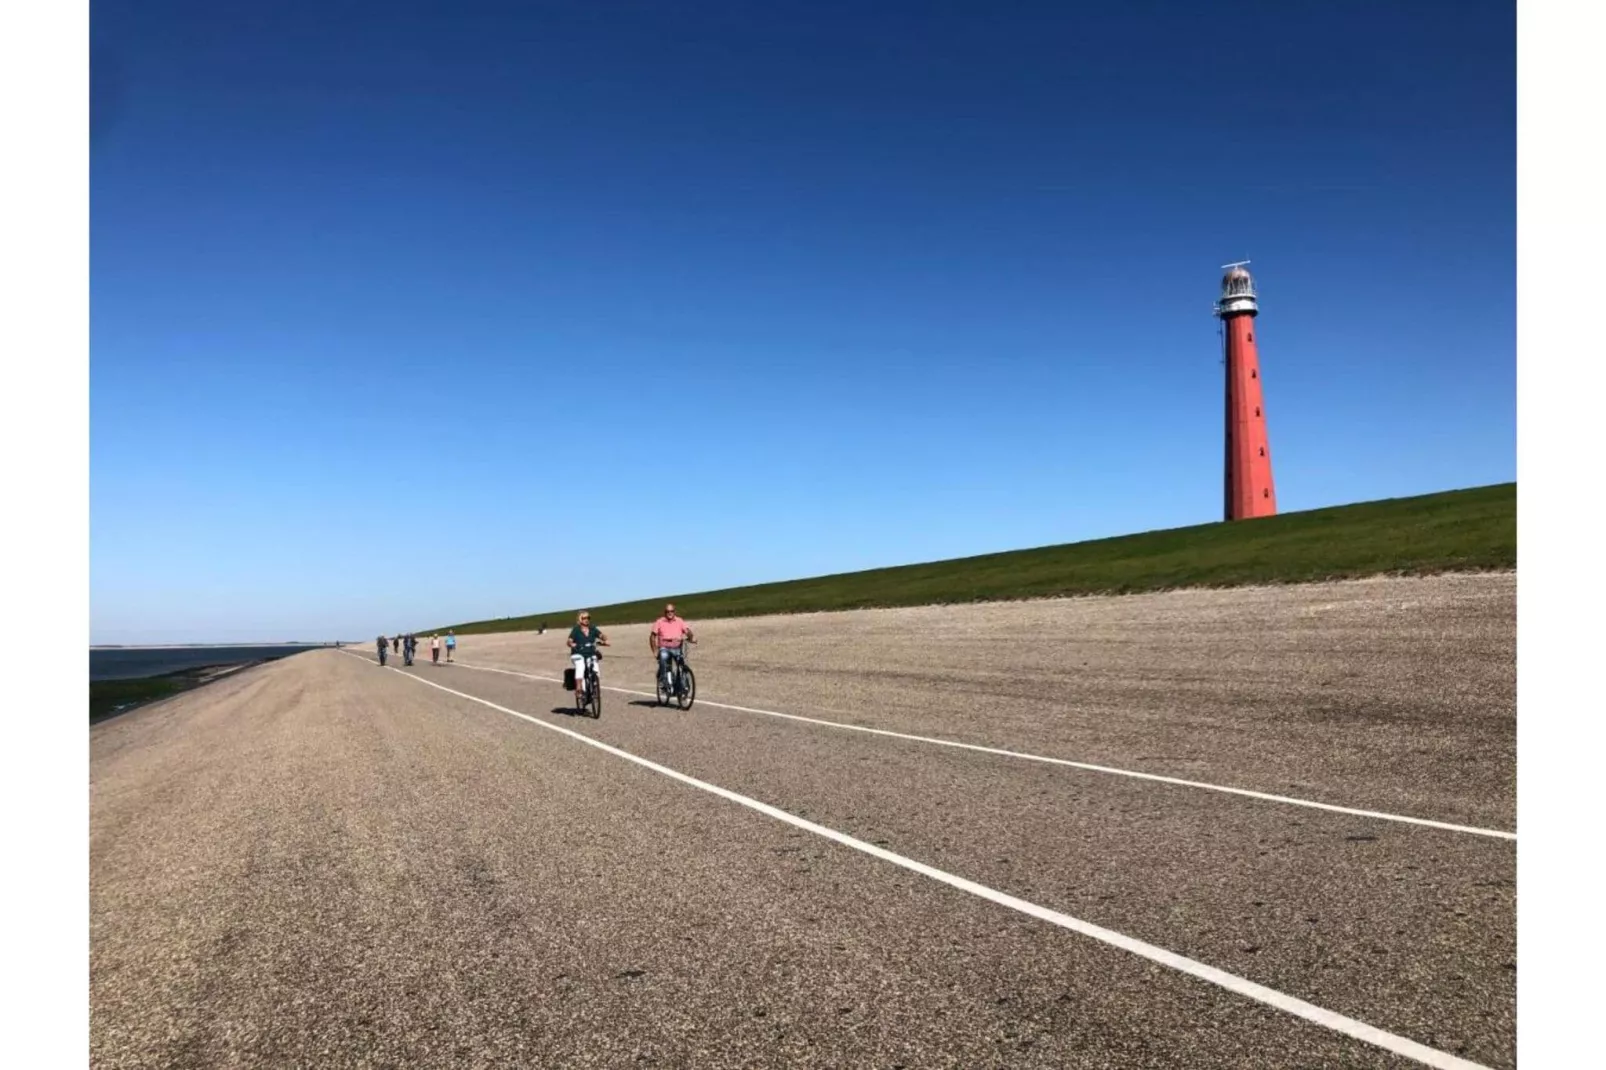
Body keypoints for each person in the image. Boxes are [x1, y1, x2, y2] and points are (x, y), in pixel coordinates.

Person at [649, 603, 696, 697]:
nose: (670, 613)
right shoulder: (659, 622)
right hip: (664, 648)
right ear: (664, 612)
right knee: (663, 657)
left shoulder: (679, 621)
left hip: (677, 647)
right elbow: (652, 637)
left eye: (672, 611)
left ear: (674, 612)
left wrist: (691, 637)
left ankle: (681, 686)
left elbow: (687, 631)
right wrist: (655, 651)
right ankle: (663, 681)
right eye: (667, 611)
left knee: (681, 665)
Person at [566, 611, 610, 705]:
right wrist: (572, 644)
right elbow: (569, 641)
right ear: (580, 619)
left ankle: (594, 686)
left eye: (588, 618)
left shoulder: (592, 628)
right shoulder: (576, 629)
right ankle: (578, 688)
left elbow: (600, 635)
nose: (586, 620)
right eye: (584, 618)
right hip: (578, 653)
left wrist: (604, 638)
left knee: (595, 665)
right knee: (580, 666)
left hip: (590, 653)